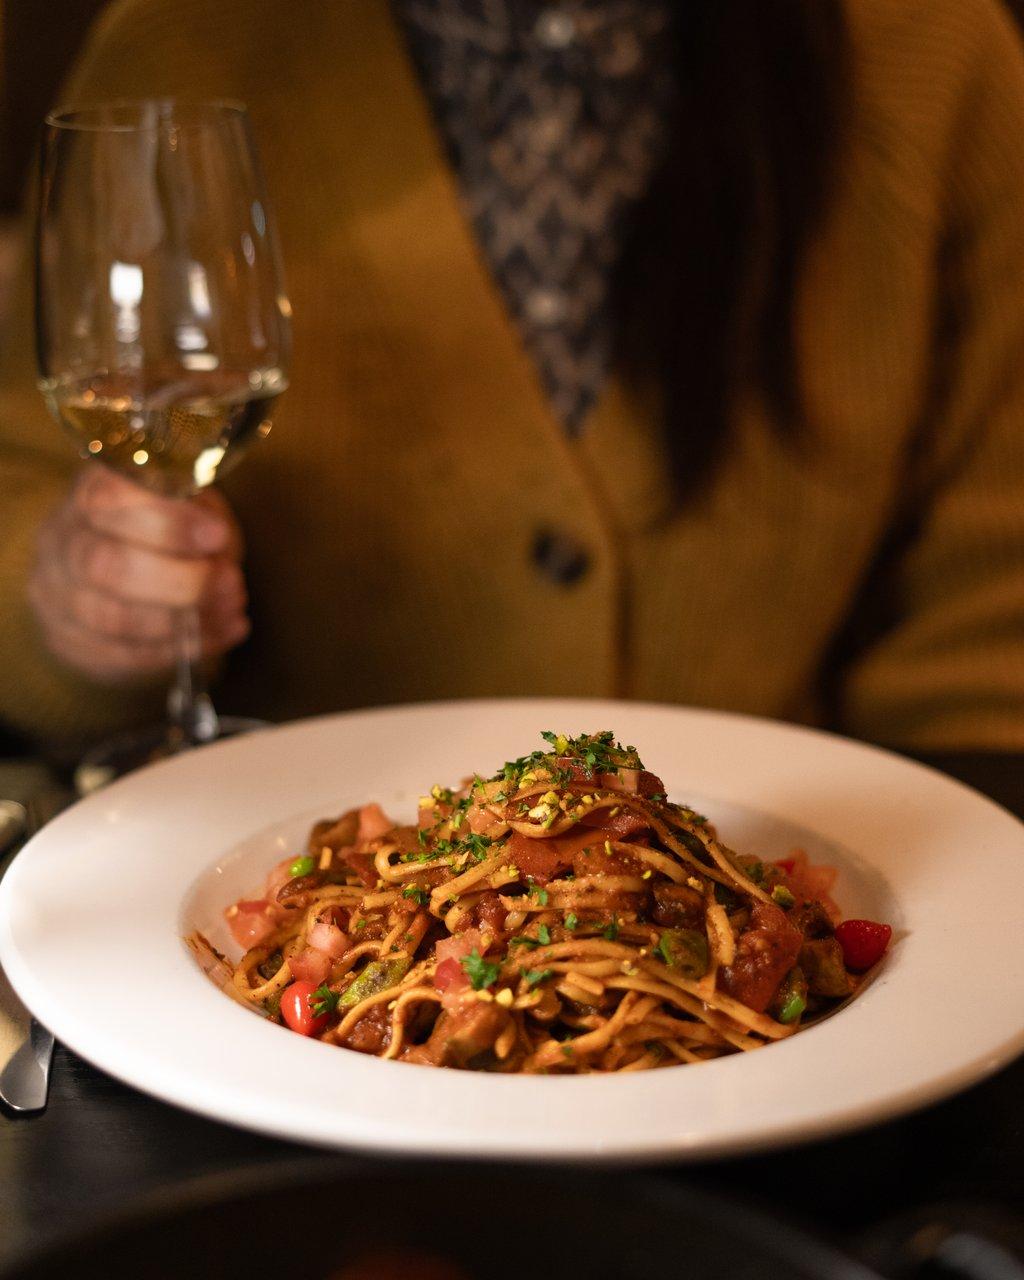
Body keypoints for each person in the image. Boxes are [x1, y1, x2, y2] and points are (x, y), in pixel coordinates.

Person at [2, 0, 1024, 754]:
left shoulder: (934, 56)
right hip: (293, 932)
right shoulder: (181, 43)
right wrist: (77, 607)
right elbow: (23, 494)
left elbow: (989, 622)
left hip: (797, 917)